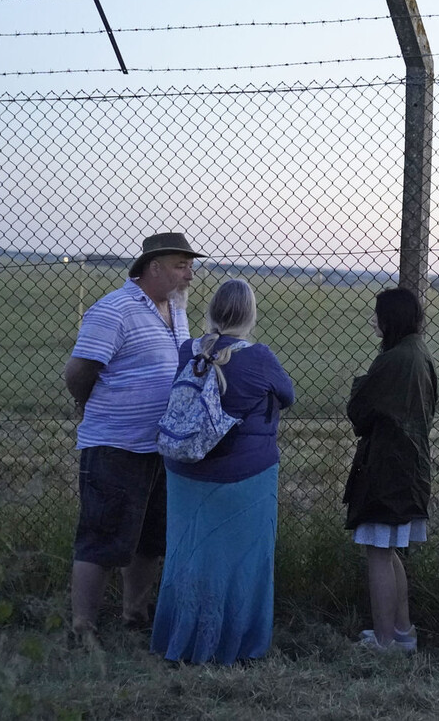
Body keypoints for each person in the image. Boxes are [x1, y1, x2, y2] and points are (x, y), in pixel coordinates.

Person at [64, 232, 204, 646]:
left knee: (150, 538)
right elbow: (77, 374)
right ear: (153, 267)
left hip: (160, 446)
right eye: (182, 266)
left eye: (190, 266)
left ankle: (135, 615)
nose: (189, 275)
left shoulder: (176, 311)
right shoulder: (114, 310)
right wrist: (95, 405)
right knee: (101, 536)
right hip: (115, 445)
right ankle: (82, 628)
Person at [150, 278, 294, 665]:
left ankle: (183, 637)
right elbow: (289, 396)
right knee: (244, 560)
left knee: (187, 557)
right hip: (244, 477)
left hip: (184, 473)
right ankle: (237, 644)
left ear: (212, 311)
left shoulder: (189, 351)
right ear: (250, 315)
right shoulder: (259, 356)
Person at [343, 287, 438, 653]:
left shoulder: (394, 359)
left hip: (387, 468)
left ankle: (384, 639)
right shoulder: (419, 353)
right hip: (410, 467)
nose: (374, 321)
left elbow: (360, 411)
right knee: (392, 548)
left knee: (378, 550)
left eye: (378, 315)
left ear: (391, 318)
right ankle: (402, 631)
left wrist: (361, 387)